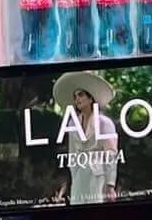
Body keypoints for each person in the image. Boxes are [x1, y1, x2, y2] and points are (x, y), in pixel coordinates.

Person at [50, 72, 119, 206]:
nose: (77, 99)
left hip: (98, 177)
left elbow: (111, 154)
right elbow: (72, 153)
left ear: (90, 98)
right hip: (79, 178)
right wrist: (74, 176)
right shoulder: (72, 124)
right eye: (75, 96)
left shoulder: (104, 123)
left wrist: (110, 185)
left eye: (81, 95)